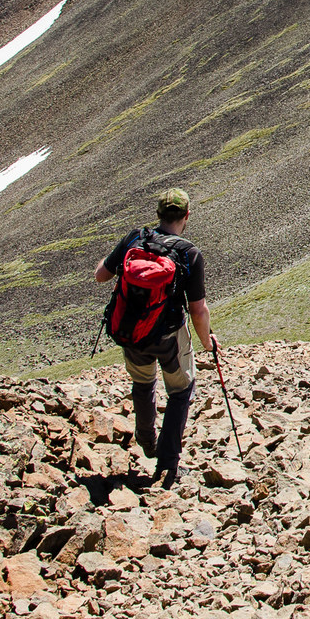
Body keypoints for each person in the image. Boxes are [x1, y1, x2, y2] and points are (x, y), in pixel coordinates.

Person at [95, 187, 215, 485]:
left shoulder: (136, 237)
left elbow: (101, 274)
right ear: (187, 216)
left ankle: (146, 439)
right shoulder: (189, 253)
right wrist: (206, 341)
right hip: (170, 335)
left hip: (132, 332)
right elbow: (198, 310)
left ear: (158, 214)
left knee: (142, 382)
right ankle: (168, 463)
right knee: (180, 390)